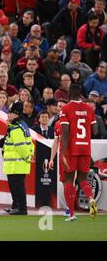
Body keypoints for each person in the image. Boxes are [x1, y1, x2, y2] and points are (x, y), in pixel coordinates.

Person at [58, 84, 98, 221]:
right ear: (80, 94)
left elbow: (65, 131)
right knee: (82, 179)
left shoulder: (66, 108)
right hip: (85, 148)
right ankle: (91, 199)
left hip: (72, 149)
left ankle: (72, 214)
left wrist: (63, 153)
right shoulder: (89, 109)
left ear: (69, 94)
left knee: (69, 180)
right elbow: (96, 131)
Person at [1, 101, 34, 215]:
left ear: (16, 114)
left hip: (17, 163)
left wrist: (27, 157)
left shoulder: (16, 128)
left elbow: (20, 146)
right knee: (15, 186)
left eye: (10, 113)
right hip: (16, 164)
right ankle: (16, 206)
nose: (8, 115)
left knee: (17, 187)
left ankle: (21, 208)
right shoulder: (20, 125)